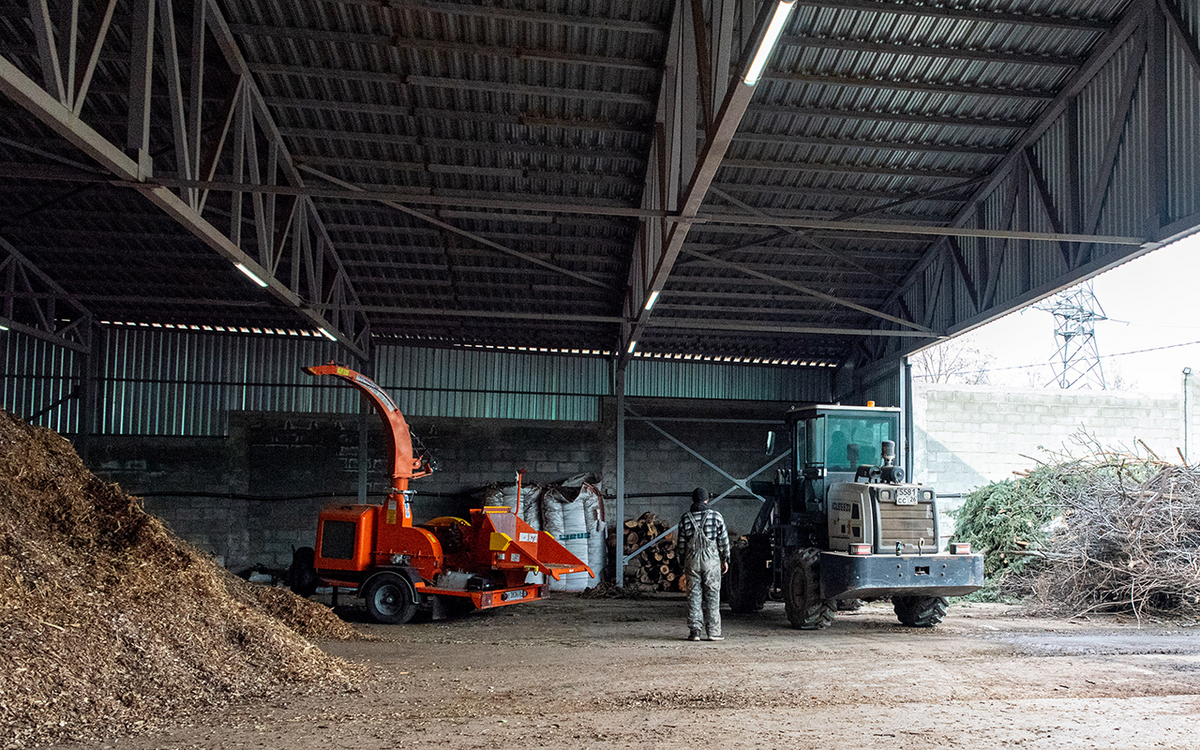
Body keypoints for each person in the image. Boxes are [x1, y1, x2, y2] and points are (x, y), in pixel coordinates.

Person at [677, 487, 730, 641]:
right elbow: (724, 542)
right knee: (712, 596)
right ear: (707, 500)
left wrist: (682, 562)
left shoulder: (686, 518)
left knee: (694, 595)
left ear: (694, 500)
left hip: (692, 561)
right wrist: (725, 559)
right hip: (711, 562)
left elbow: (681, 545)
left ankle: (695, 632)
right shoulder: (716, 516)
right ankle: (713, 632)